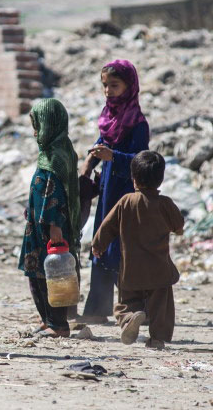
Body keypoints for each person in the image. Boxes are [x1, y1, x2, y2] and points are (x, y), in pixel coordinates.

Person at [80, 59, 149, 324]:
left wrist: (113, 157)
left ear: (129, 87)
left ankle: (131, 310)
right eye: (105, 85)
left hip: (126, 193)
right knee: (102, 242)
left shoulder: (137, 123)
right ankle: (97, 311)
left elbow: (140, 160)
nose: (108, 91)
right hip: (108, 190)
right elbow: (103, 141)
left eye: (114, 85)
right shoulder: (110, 116)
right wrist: (89, 163)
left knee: (123, 249)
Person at [92, 151, 183, 349]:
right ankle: (157, 338)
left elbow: (107, 227)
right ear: (161, 178)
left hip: (131, 267)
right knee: (161, 305)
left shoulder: (126, 202)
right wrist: (176, 228)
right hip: (159, 268)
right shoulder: (165, 204)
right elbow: (179, 225)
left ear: (133, 179)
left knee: (127, 301)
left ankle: (128, 319)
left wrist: (98, 245)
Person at [19, 99, 81, 338]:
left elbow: (56, 193)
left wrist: (55, 227)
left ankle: (58, 324)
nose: (35, 131)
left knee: (51, 275)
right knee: (37, 275)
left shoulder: (56, 156)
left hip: (50, 229)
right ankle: (47, 320)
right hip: (38, 225)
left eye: (37, 125)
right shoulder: (49, 152)